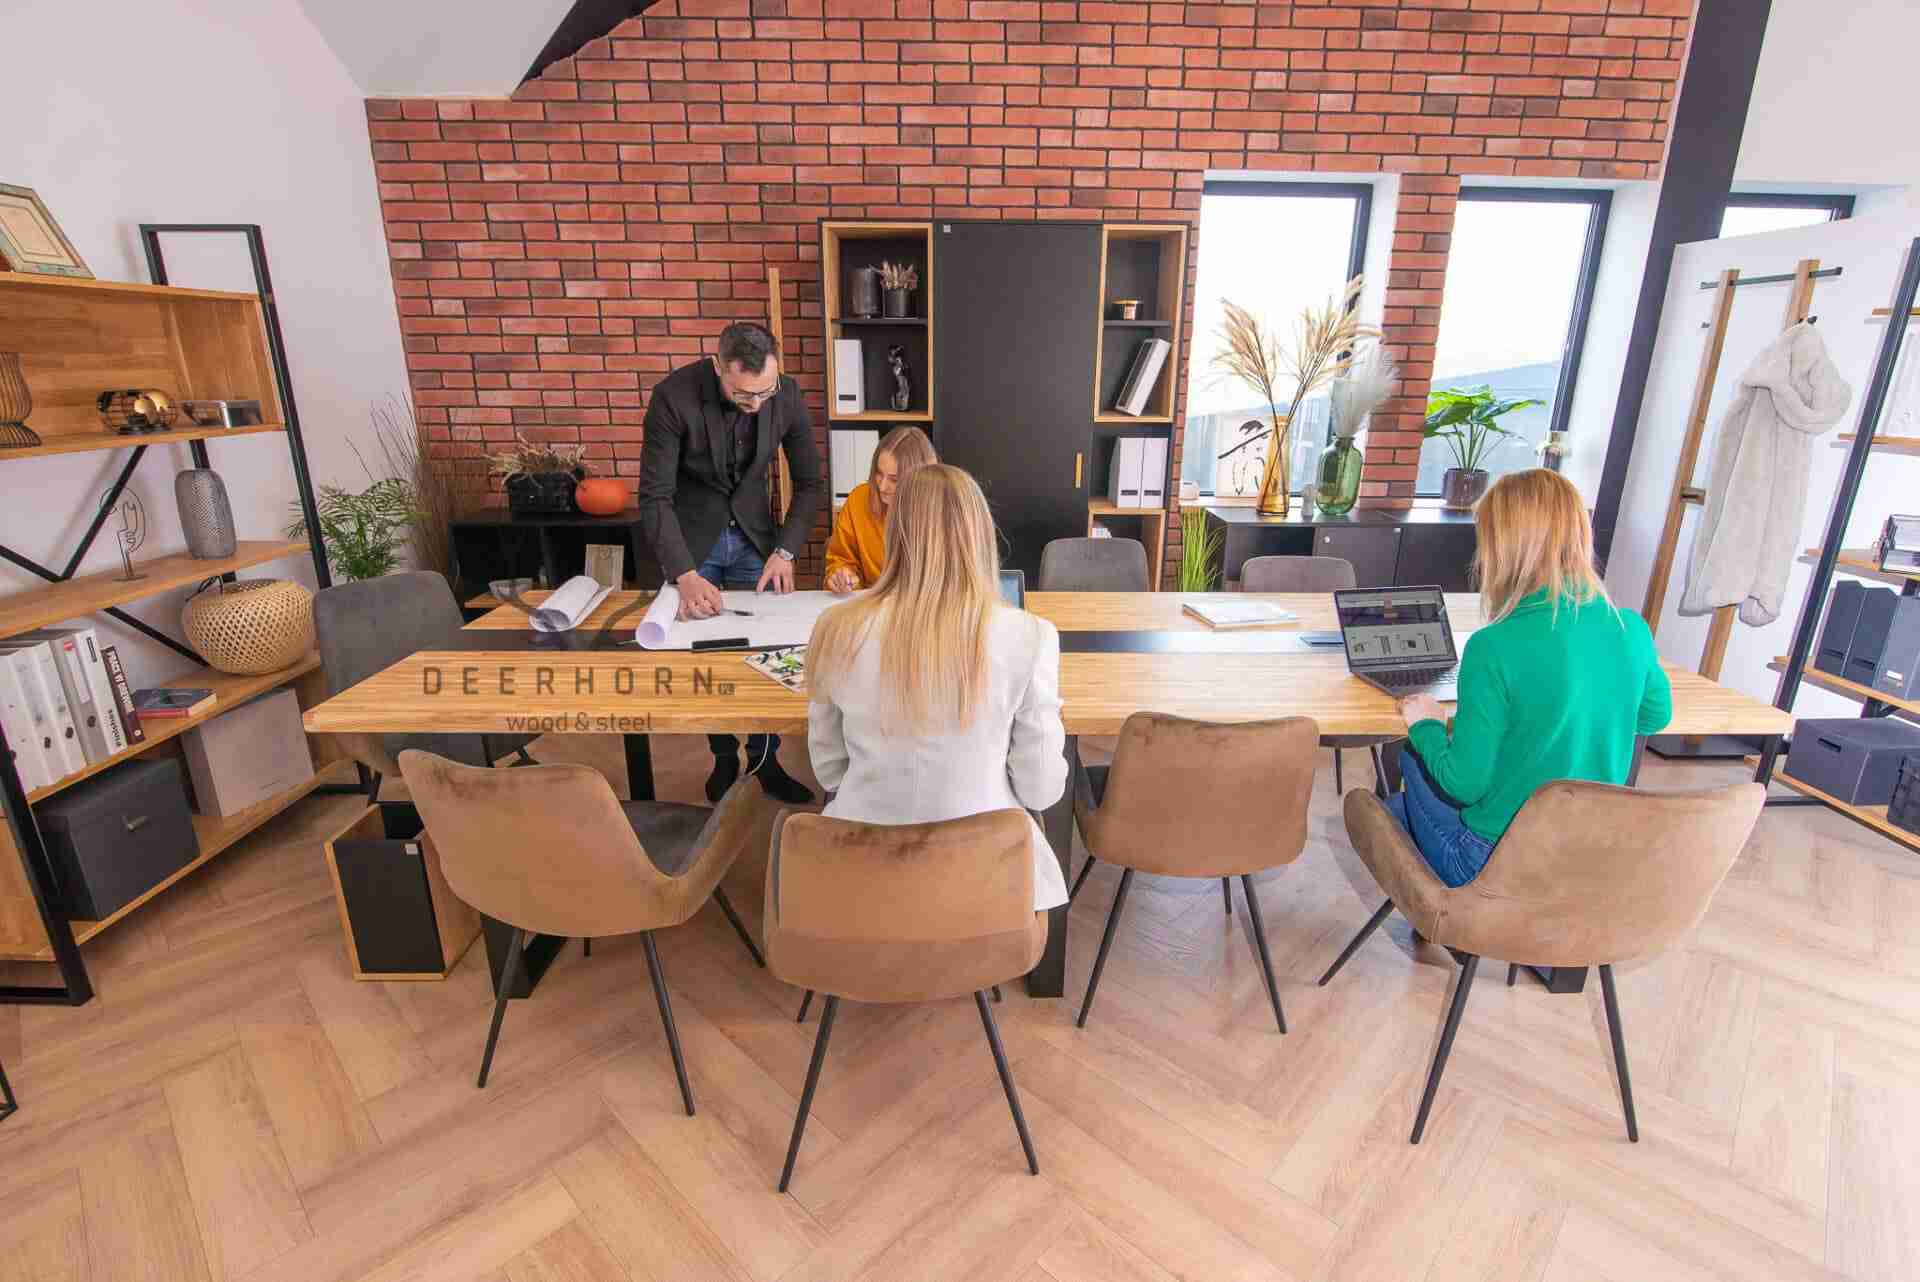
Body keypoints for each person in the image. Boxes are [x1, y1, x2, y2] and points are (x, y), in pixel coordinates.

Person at [1388, 468, 1672, 887]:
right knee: (1407, 801)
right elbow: (1654, 717)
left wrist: (1426, 723)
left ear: (1503, 548)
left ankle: (1448, 918)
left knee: (1407, 768)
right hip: (1584, 858)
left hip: (1490, 865)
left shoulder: (1493, 645)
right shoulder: (1630, 627)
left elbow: (1465, 783)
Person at [806, 464, 1070, 910]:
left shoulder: (834, 628)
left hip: (860, 883)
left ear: (895, 534)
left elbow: (829, 771)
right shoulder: (1031, 636)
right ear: (980, 535)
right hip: (985, 891)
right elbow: (1041, 790)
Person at [638, 321, 826, 804]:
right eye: (745, 395)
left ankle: (766, 760)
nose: (759, 403)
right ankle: (723, 757)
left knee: (764, 654)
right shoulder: (672, 398)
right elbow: (655, 497)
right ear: (718, 367)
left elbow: (809, 483)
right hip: (693, 544)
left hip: (755, 541)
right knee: (710, 657)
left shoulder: (785, 395)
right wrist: (683, 573)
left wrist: (785, 551)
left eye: (767, 390)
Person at [822, 425, 937, 595]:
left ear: (918, 482)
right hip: (872, 606)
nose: (882, 486)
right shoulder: (858, 500)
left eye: (894, 479)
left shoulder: (942, 510)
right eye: (879, 473)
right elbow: (841, 560)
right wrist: (842, 575)